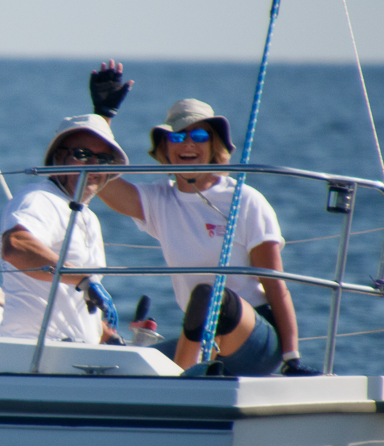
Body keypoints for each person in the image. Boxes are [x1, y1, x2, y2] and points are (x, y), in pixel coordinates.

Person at [92, 63, 316, 375]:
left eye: (199, 135)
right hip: (203, 339)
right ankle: (178, 379)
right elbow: (99, 176)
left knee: (208, 295)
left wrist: (292, 359)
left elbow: (276, 286)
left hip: (257, 339)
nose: (188, 144)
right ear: (165, 148)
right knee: (122, 367)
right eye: (177, 137)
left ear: (214, 146)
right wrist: (103, 115)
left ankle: (180, 386)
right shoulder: (159, 200)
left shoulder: (246, 200)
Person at [0, 114, 127, 344]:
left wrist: (107, 336)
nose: (93, 166)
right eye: (82, 155)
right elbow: (15, 246)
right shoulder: (40, 198)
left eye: (103, 159)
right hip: (36, 349)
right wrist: (83, 279)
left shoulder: (88, 217)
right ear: (59, 157)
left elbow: (72, 300)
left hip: (74, 351)